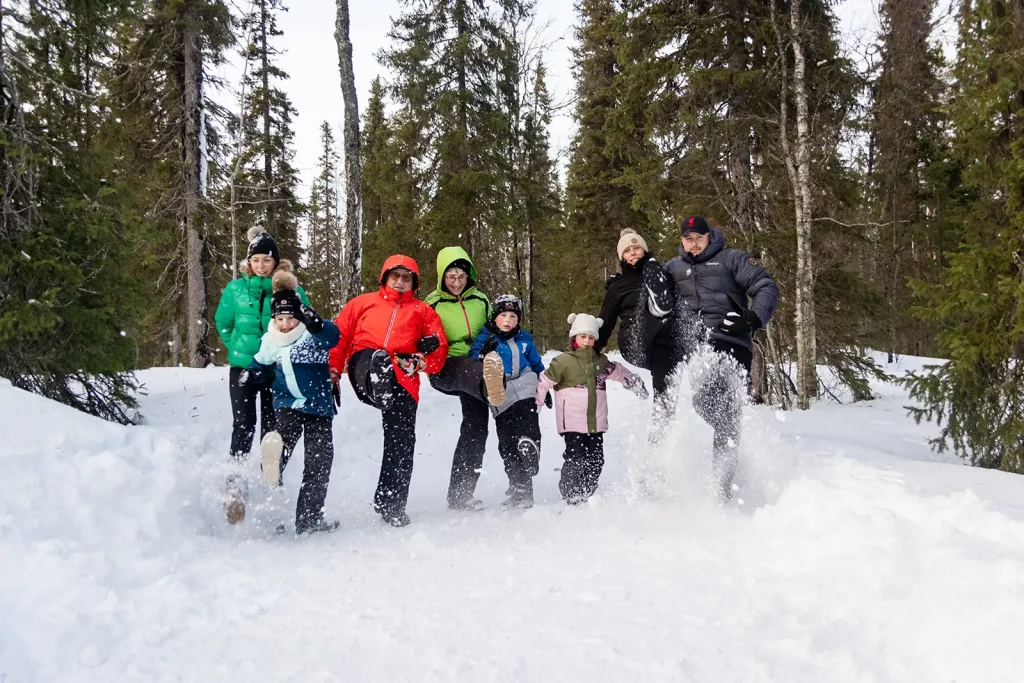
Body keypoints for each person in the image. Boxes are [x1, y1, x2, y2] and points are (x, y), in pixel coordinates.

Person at [660, 215, 780, 499]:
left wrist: (752, 319)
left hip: (731, 342)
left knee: (727, 410)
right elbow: (653, 298)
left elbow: (766, 286)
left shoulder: (732, 259)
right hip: (697, 349)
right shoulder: (673, 268)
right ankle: (730, 457)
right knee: (705, 404)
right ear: (682, 241)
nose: (694, 244)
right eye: (688, 239)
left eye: (698, 238)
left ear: (708, 236)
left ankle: (722, 488)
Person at [329, 255, 448, 527]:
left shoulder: (424, 312)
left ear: (414, 282)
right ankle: (378, 378)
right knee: (374, 358)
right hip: (364, 363)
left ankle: (391, 502)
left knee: (402, 439)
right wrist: (333, 371)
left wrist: (420, 360)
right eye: (396, 276)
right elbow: (339, 338)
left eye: (407, 278)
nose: (401, 282)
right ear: (385, 277)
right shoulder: (362, 303)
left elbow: (440, 351)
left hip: (403, 376)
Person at [240, 268, 341, 534]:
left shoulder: (311, 334)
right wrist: (251, 372)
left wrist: (317, 324)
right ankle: (274, 461)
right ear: (274, 318)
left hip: (319, 405)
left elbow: (333, 337)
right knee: (283, 436)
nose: (286, 324)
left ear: (299, 316)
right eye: (280, 318)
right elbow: (260, 362)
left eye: (291, 318)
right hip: (288, 404)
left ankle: (309, 519)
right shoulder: (271, 339)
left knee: (319, 462)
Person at [214, 227, 310, 462]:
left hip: (276, 369)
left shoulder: (291, 290)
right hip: (243, 366)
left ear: (275, 261)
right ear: (249, 261)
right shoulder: (235, 289)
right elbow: (223, 322)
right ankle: (235, 483)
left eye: (266, 260)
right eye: (255, 260)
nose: (260, 265)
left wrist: (287, 350)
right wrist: (236, 345)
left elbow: (306, 323)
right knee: (243, 423)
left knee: (273, 427)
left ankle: (271, 477)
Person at [536, 313, 648, 505]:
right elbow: (543, 382)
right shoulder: (563, 362)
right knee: (576, 457)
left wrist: (635, 384)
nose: (587, 341)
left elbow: (619, 372)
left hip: (595, 422)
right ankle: (571, 494)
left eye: (590, 337)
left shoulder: (601, 362)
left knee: (596, 459)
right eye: (582, 337)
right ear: (574, 338)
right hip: (571, 421)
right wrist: (535, 407)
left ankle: (587, 492)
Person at [423, 247, 492, 511]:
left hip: (477, 368)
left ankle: (461, 493)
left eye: (461, 276)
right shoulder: (431, 304)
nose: (456, 282)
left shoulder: (481, 300)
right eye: (450, 276)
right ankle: (496, 389)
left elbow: (494, 327)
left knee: (476, 427)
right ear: (442, 276)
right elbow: (419, 333)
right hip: (446, 365)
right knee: (477, 373)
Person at [469, 295, 545, 510]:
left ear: (518, 320)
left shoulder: (525, 339)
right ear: (495, 317)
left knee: (528, 425)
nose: (508, 320)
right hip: (500, 392)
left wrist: (543, 386)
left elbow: (536, 364)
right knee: (508, 444)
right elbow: (474, 357)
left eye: (513, 316)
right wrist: (483, 354)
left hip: (524, 384)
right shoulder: (485, 337)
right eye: (503, 315)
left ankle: (532, 449)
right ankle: (518, 485)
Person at [596, 228, 678, 412]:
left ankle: (663, 430)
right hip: (634, 340)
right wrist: (593, 347)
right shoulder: (617, 286)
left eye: (636, 248)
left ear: (644, 250)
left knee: (665, 372)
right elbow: (606, 319)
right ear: (622, 257)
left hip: (663, 341)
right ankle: (656, 307)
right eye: (627, 250)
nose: (632, 252)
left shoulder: (663, 275)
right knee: (651, 312)